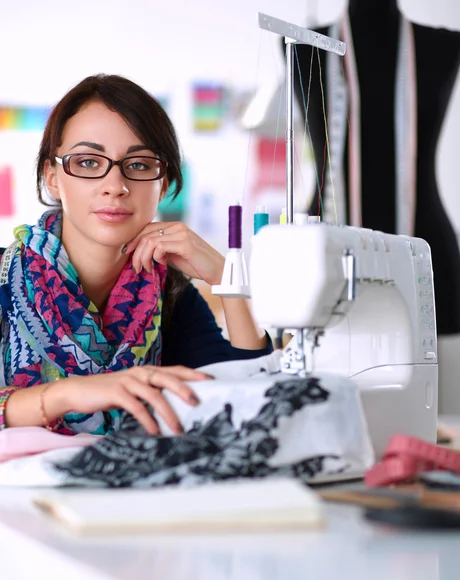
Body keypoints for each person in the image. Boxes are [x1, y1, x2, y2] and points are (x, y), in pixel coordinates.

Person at [0, 74, 272, 438]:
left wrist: (227, 278)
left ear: (165, 185)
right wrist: (68, 394)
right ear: (52, 177)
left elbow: (249, 400)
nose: (115, 186)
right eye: (87, 162)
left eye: (140, 164)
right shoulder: (5, 278)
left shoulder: (169, 294)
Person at [293, 0, 460, 336]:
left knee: (437, 386)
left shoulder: (443, 46)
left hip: (428, 258)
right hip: (326, 253)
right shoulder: (304, 46)